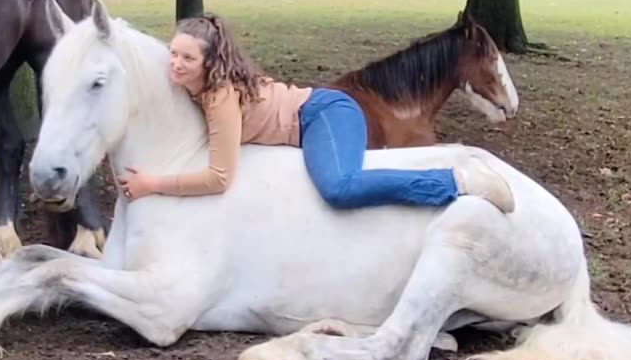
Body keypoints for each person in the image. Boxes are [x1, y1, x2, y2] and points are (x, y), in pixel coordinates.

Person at [116, 13, 516, 213]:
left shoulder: (219, 98)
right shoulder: (197, 88)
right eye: (172, 54)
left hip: (325, 113)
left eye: (188, 57)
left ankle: (458, 181)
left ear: (210, 62)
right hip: (316, 113)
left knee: (340, 187)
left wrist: (154, 184)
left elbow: (220, 177)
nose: (176, 64)